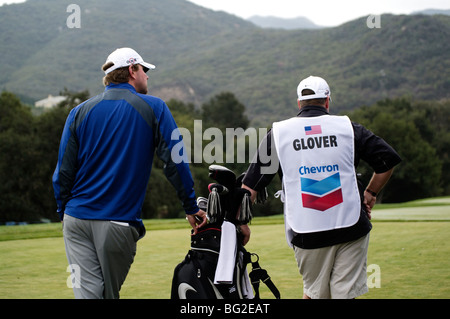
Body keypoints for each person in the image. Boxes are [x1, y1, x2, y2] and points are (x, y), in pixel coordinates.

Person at [52, 47, 207, 299]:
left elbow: (63, 172)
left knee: (88, 296)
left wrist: (63, 211)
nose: (147, 76)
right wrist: (190, 206)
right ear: (132, 70)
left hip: (75, 220)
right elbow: (175, 162)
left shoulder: (78, 112)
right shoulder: (154, 107)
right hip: (117, 221)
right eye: (144, 70)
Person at [241, 75, 401, 299]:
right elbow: (388, 160)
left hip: (307, 230)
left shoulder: (278, 134)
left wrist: (238, 223)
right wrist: (370, 193)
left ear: (299, 103)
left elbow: (249, 188)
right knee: (344, 295)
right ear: (327, 101)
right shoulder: (348, 128)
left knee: (314, 293)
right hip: (352, 225)